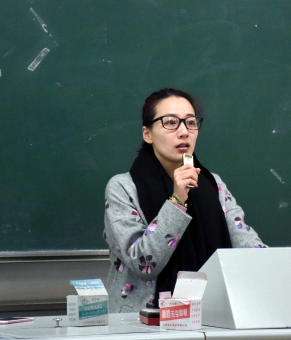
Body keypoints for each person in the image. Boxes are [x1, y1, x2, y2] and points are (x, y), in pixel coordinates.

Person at [104, 88, 266, 313]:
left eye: (190, 122)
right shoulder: (123, 188)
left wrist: (275, 264)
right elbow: (145, 263)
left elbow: (246, 245)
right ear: (147, 134)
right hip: (143, 322)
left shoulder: (213, 184)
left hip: (211, 316)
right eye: (171, 122)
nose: (184, 132)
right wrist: (177, 200)